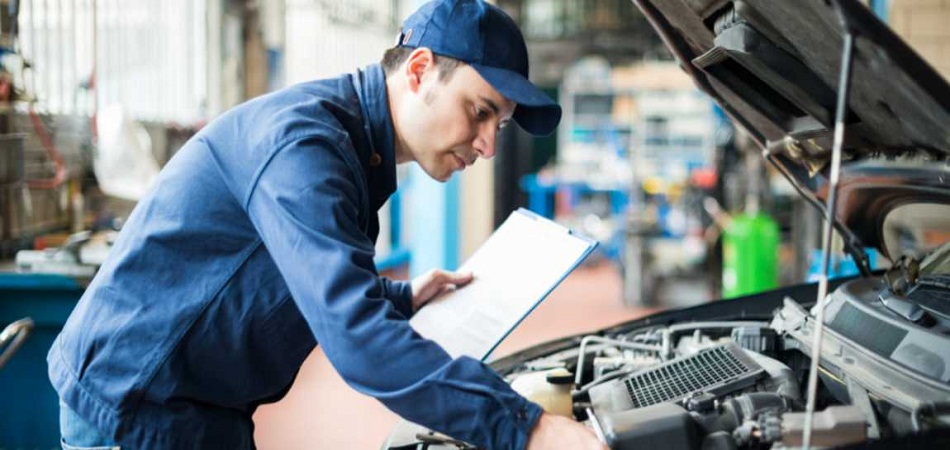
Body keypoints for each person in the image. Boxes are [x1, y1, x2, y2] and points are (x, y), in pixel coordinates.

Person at [48, 0, 607, 449]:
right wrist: (528, 429)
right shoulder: (306, 147)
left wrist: (399, 296)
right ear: (419, 71)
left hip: (197, 407)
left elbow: (291, 274)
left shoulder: (354, 150)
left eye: (500, 126)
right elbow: (357, 341)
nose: (488, 145)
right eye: (481, 111)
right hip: (136, 405)